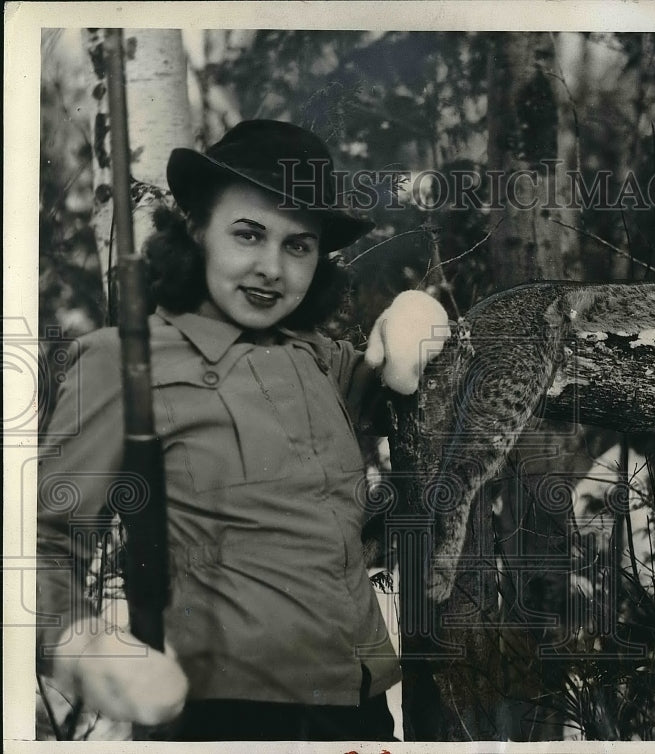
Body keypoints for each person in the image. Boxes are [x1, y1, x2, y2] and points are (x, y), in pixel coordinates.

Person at [36, 120, 449, 741]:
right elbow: (40, 539)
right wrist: (79, 645)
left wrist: (417, 315)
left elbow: (395, 381)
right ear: (197, 229)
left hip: (358, 710)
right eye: (248, 234)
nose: (271, 269)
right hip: (219, 717)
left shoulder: (317, 360)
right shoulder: (122, 362)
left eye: (298, 245)